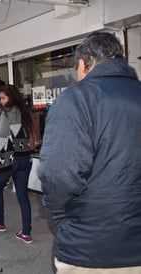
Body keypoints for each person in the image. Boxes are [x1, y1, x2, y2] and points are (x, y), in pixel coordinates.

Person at [38, 32, 141, 273]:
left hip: (90, 246)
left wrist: (60, 216)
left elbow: (58, 175)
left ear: (84, 63)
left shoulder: (76, 99)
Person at [0, 84, 34, 244]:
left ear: (10, 98)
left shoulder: (6, 114)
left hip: (11, 159)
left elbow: (2, 141)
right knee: (23, 196)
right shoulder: (24, 113)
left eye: (3, 98)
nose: (2, 102)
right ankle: (26, 233)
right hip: (25, 157)